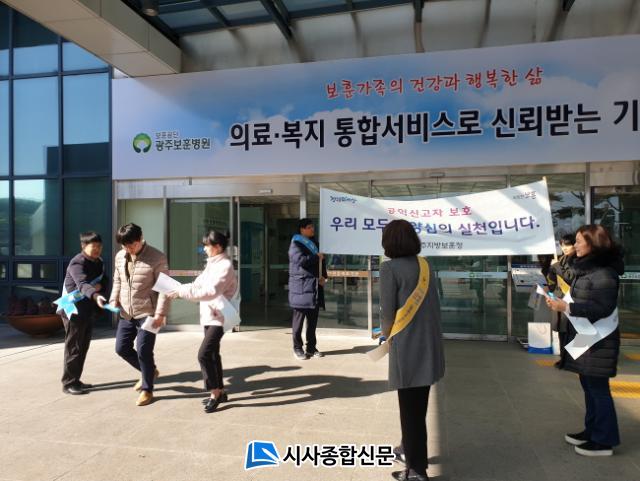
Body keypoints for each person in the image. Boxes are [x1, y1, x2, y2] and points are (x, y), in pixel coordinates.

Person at [546, 224, 624, 457]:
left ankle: (604, 441)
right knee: (588, 386)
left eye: (579, 241)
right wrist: (561, 304)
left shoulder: (604, 273)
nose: (575, 245)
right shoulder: (587, 270)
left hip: (599, 341)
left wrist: (567, 307)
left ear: (593, 244)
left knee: (598, 390)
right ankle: (592, 430)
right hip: (586, 337)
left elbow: (602, 307)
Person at [379, 219, 445, 481]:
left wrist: (385, 336)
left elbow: (387, 313)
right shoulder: (425, 265)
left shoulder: (389, 268)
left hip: (406, 346)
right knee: (419, 405)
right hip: (429, 344)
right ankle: (407, 446)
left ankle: (417, 471)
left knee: (410, 411)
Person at [166, 230, 238, 413]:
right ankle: (220, 390)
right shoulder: (212, 264)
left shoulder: (225, 266)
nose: (204, 248)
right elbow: (198, 284)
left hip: (219, 316)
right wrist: (179, 289)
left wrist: (181, 292)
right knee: (213, 354)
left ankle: (214, 393)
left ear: (218, 247)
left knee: (203, 355)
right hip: (209, 315)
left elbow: (211, 291)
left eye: (207, 245)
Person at [109, 223, 171, 406]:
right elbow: (118, 280)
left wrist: (160, 314)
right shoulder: (120, 256)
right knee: (121, 348)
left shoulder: (157, 257)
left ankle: (147, 389)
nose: (128, 249)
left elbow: (165, 289)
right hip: (127, 312)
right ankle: (150, 371)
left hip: (149, 313)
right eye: (124, 245)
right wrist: (114, 298)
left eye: (132, 245)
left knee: (144, 350)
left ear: (141, 238)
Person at [59, 232, 108, 395]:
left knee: (83, 347)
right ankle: (68, 383)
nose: (97, 249)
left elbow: (104, 280)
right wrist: (95, 294)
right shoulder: (77, 263)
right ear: (83, 246)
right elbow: (82, 284)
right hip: (73, 310)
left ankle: (76, 380)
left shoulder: (99, 262)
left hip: (87, 310)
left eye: (99, 246)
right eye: (94, 246)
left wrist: (101, 287)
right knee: (74, 347)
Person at [288, 218, 328, 360]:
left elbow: (322, 262)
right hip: (301, 288)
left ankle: (311, 347)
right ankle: (297, 348)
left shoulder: (315, 244)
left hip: (314, 287)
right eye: (309, 227)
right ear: (302, 229)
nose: (312, 229)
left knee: (312, 322)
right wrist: (316, 257)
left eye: (313, 227)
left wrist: (324, 276)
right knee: (298, 322)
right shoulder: (296, 244)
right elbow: (300, 260)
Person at [549, 233, 577, 368]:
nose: (564, 248)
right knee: (561, 330)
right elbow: (553, 279)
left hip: (571, 300)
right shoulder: (561, 259)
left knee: (570, 331)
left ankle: (570, 359)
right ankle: (563, 358)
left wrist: (556, 266)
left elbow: (570, 277)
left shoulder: (577, 260)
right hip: (559, 298)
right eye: (562, 245)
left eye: (568, 245)